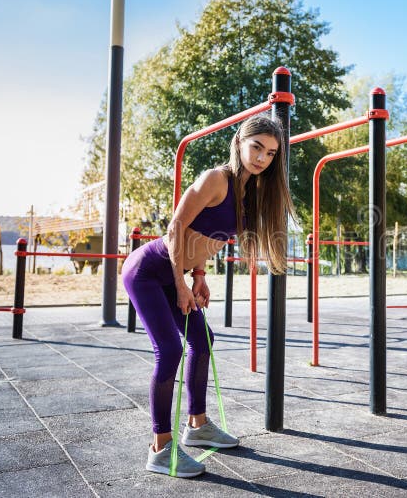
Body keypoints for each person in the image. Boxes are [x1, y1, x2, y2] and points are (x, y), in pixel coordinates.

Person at [122, 114, 294, 478]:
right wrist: (180, 283)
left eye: (270, 153)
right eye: (257, 147)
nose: (262, 158)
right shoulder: (217, 179)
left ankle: (197, 425)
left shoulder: (251, 193)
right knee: (169, 350)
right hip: (148, 271)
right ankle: (160, 447)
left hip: (177, 274)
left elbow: (208, 236)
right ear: (240, 143)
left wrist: (198, 276)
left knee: (204, 339)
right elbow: (175, 229)